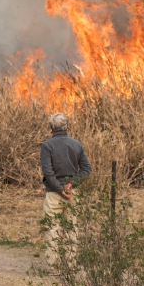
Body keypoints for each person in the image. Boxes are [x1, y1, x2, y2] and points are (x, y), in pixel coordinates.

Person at [40, 112, 91, 262]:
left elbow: (48, 172)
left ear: (51, 128)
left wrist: (58, 188)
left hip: (53, 194)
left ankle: (54, 265)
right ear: (67, 126)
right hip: (72, 192)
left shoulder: (47, 146)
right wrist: (73, 183)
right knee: (71, 228)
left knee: (52, 228)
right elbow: (87, 169)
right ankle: (70, 265)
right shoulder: (77, 144)